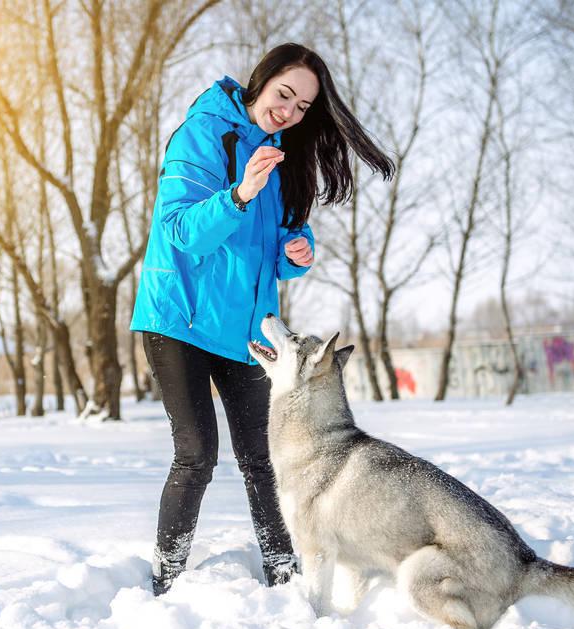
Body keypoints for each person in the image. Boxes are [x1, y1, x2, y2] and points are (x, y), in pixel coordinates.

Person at [130, 43, 395, 595]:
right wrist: (243, 190)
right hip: (179, 316)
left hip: (245, 329)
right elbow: (181, 233)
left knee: (262, 457)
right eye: (285, 94)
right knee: (197, 452)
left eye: (302, 107)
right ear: (262, 81)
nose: (290, 111)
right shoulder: (203, 134)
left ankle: (283, 569)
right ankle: (167, 577)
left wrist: (293, 251)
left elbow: (265, 247)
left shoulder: (280, 154)